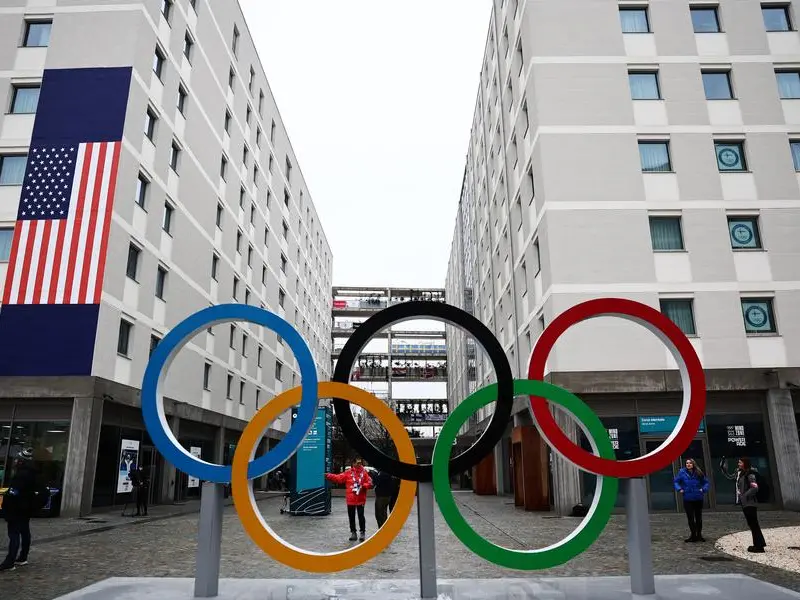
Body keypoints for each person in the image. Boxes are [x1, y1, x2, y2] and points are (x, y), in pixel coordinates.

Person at [1, 449, 49, 572]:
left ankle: (10, 561)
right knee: (24, 532)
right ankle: (23, 557)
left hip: (16, 509)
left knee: (14, 534)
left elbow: (13, 493)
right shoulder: (35, 474)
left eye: (18, 459)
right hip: (26, 509)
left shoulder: (21, 475)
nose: (16, 461)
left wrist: (7, 506)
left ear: (22, 461)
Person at [721, 457, 766, 553]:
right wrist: (724, 469)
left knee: (754, 524)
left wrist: (744, 496)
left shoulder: (750, 474)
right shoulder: (740, 473)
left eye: (740, 462)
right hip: (745, 503)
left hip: (750, 503)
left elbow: (754, 487)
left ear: (745, 463)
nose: (738, 464)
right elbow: (730, 477)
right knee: (752, 524)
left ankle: (759, 546)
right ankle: (758, 544)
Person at [325, 457, 373, 542]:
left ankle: (362, 533)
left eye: (360, 463)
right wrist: (329, 476)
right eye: (357, 463)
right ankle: (353, 533)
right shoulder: (348, 473)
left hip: (360, 499)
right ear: (353, 464)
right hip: (350, 500)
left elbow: (369, 482)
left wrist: (363, 486)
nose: (359, 465)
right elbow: (339, 478)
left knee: (361, 516)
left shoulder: (364, 473)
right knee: (351, 517)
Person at [673, 458, 710, 542]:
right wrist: (679, 489)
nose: (688, 464)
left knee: (698, 518)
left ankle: (699, 535)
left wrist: (703, 489)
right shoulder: (682, 472)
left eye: (690, 463)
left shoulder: (698, 472)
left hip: (698, 497)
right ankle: (693, 535)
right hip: (688, 498)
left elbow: (706, 482)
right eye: (687, 463)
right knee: (690, 518)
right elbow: (676, 482)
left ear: (693, 464)